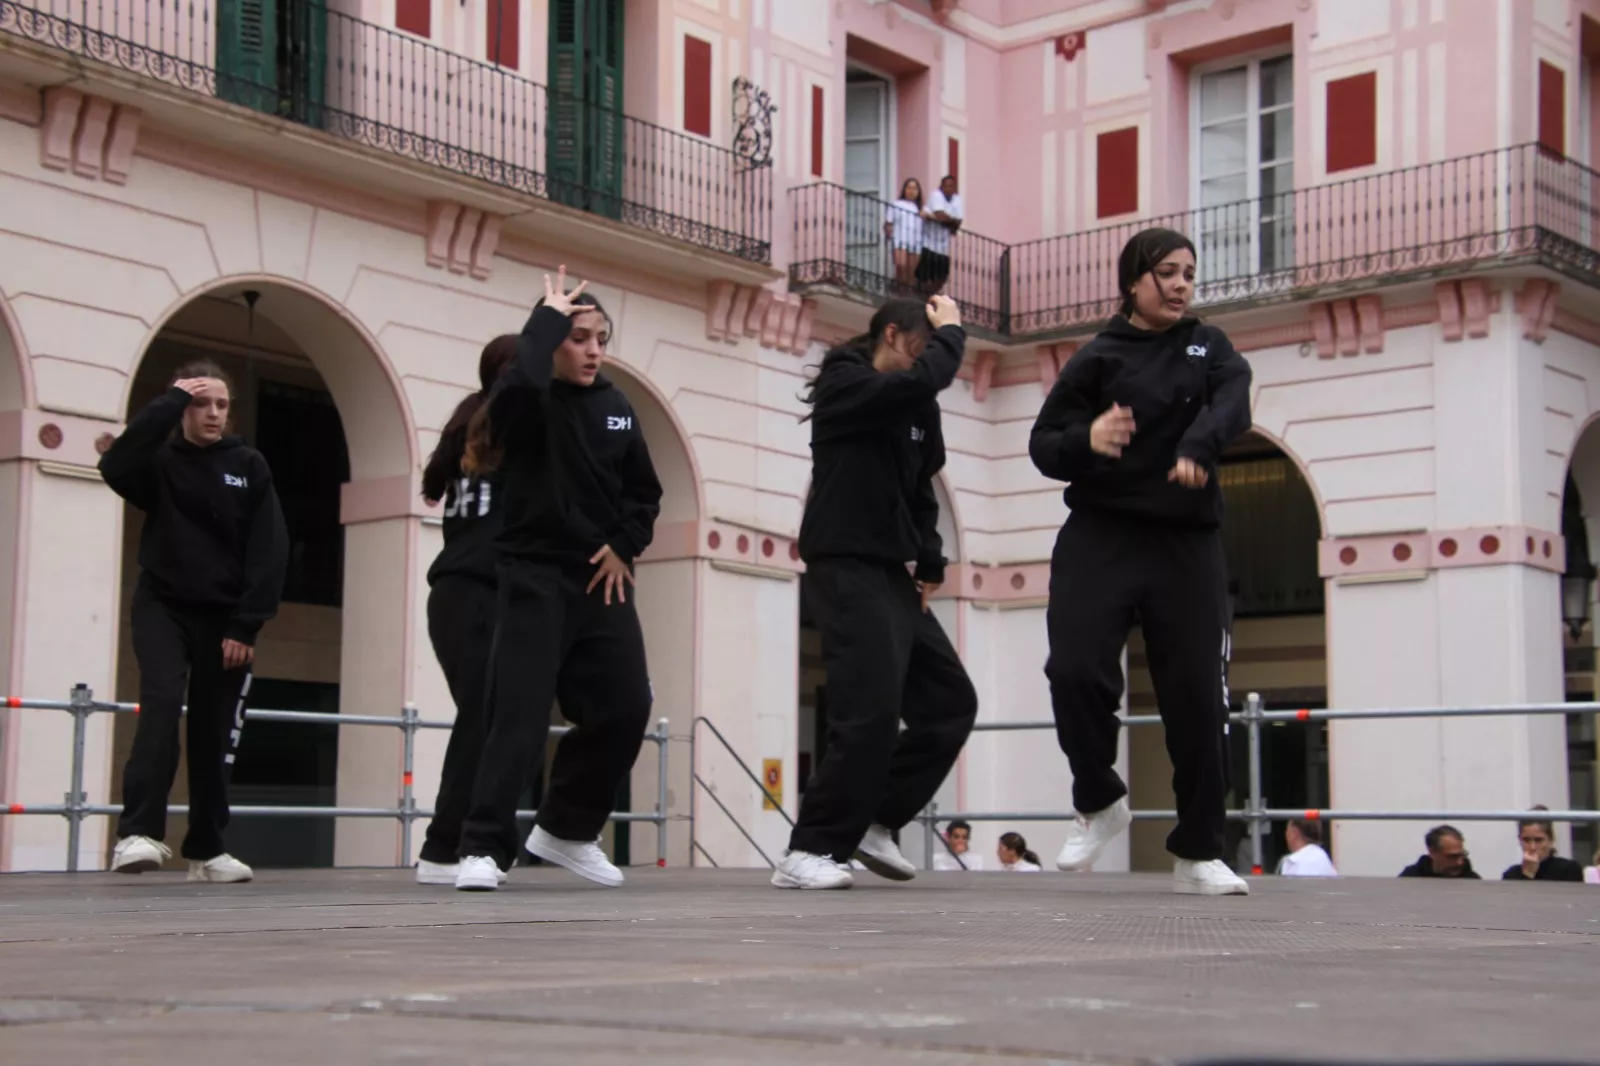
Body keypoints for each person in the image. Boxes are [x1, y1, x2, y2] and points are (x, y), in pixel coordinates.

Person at [1029, 227, 1253, 897]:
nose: (1182, 285)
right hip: (1101, 534)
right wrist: (1088, 438)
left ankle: (1200, 850)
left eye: (1189, 273)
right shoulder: (1097, 357)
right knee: (1073, 670)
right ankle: (1099, 801)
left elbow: (1234, 401)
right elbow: (1044, 444)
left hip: (1186, 541)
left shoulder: (1209, 345)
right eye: (1168, 273)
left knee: (1198, 696)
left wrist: (1198, 446)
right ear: (1133, 281)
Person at [453, 268, 662, 892]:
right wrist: (542, 324)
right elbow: (513, 395)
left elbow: (644, 492)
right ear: (551, 344)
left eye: (601, 339)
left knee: (627, 706)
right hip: (534, 574)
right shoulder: (528, 398)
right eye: (578, 338)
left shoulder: (618, 407)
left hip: (602, 580)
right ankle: (482, 848)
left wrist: (624, 546)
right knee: (517, 716)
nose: (594, 351)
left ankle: (568, 830)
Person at [773, 296, 978, 890]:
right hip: (843, 564)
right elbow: (921, 380)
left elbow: (921, 488)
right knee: (869, 710)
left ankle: (876, 818)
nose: (929, 357)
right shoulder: (846, 384)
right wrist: (953, 334)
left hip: (891, 572)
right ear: (892, 334)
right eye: (924, 344)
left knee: (949, 704)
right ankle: (809, 849)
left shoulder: (916, 404)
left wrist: (931, 559)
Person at [99, 361, 288, 882]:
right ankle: (137, 835)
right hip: (162, 606)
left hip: (225, 620)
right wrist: (169, 402)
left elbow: (269, 548)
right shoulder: (159, 463)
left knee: (214, 730)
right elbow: (115, 465)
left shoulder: (248, 465)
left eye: (221, 404)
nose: (213, 414)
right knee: (160, 705)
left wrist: (246, 625)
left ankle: (206, 850)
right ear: (182, 407)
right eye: (201, 403)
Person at [413, 336, 520, 887]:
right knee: (483, 715)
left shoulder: (466, 423)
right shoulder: (502, 430)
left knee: (493, 717)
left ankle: (470, 842)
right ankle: (445, 845)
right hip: (474, 591)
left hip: (459, 593)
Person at [1501, 807, 1585, 882]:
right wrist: (1527, 875)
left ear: (1551, 840)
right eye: (1526, 840)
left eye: (1538, 840)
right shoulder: (1511, 875)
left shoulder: (1568, 869)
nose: (1532, 847)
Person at [916, 175, 964, 295]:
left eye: (952, 186)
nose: (949, 188)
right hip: (928, 243)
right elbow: (940, 215)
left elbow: (958, 223)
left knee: (943, 275)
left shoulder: (957, 199)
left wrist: (937, 219)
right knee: (925, 275)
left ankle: (928, 295)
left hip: (943, 247)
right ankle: (921, 295)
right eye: (946, 186)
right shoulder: (936, 195)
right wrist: (948, 221)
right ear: (941, 187)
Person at [883, 178, 925, 293]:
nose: (911, 191)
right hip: (900, 240)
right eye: (909, 187)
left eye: (915, 188)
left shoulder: (920, 209)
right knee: (901, 266)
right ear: (904, 190)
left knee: (912, 272)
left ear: (918, 192)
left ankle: (907, 294)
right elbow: (888, 222)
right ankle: (899, 290)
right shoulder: (896, 204)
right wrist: (889, 231)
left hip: (915, 242)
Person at [1397, 825, 1480, 878]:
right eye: (1452, 857)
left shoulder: (1472, 881)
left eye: (1462, 855)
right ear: (1432, 852)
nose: (1460, 862)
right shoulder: (1410, 878)